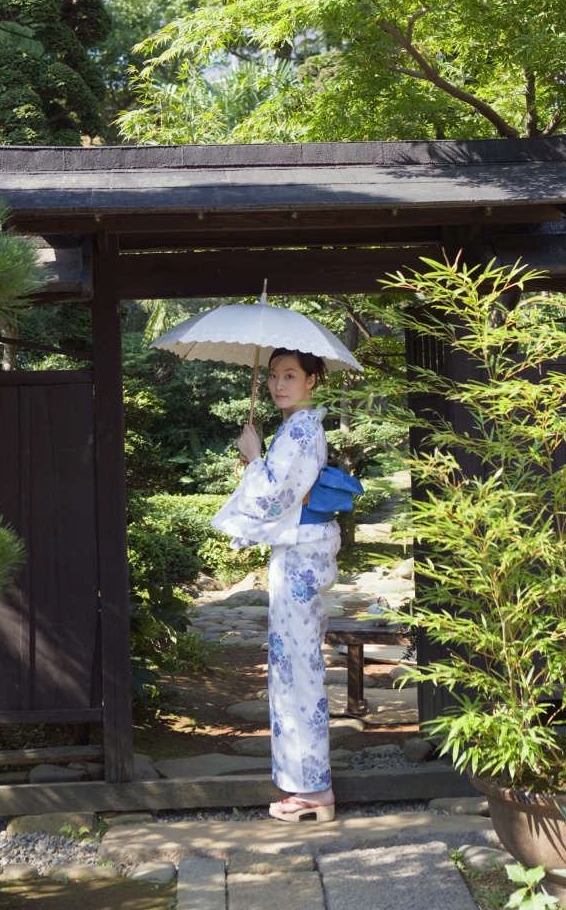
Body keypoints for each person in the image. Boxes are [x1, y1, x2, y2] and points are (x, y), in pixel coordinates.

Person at [210, 348, 340, 824]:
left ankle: (313, 791)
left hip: (299, 557)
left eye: (291, 375)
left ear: (311, 382)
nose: (279, 384)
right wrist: (258, 457)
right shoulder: (299, 427)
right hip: (300, 553)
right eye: (273, 376)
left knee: (296, 671)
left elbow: (270, 494)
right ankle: (307, 785)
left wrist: (251, 455)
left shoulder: (302, 428)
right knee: (294, 666)